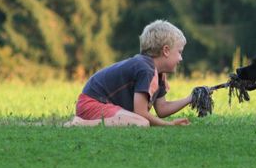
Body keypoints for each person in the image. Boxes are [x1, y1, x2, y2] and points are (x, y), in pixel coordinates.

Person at [64, 20, 193, 127]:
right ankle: (80, 124)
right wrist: (168, 125)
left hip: (103, 105)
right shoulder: (145, 69)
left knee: (140, 122)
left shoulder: (159, 74)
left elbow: (162, 108)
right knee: (140, 123)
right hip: (92, 104)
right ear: (166, 50)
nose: (181, 58)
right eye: (179, 52)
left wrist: (191, 98)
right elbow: (141, 113)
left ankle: (84, 122)